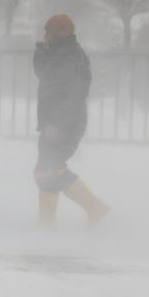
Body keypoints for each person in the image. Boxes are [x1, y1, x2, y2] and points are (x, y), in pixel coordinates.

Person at [33, 14, 110, 228]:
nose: (45, 35)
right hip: (58, 121)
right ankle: (47, 224)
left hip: (65, 123)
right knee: (46, 170)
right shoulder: (60, 53)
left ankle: (93, 208)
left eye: (48, 32)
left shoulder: (71, 57)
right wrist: (40, 51)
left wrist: (57, 123)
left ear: (60, 33)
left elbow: (73, 95)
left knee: (48, 170)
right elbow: (44, 75)